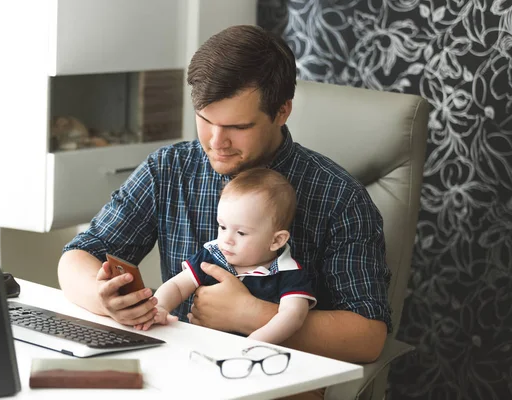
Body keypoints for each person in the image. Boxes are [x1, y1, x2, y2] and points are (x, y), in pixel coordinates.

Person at [58, 24, 391, 382]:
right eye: (205, 120)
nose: (217, 142)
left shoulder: (338, 195)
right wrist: (105, 300)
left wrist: (250, 314)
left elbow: (368, 337)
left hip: (276, 378)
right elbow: (78, 256)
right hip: (178, 370)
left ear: (282, 112)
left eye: (237, 127)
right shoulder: (169, 169)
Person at [133, 168, 316, 345]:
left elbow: (292, 316)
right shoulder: (213, 255)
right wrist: (161, 307)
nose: (227, 239)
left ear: (276, 240)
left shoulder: (289, 273)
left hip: (255, 358)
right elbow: (177, 286)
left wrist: (255, 342)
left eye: (241, 233)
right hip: (201, 347)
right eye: (222, 227)